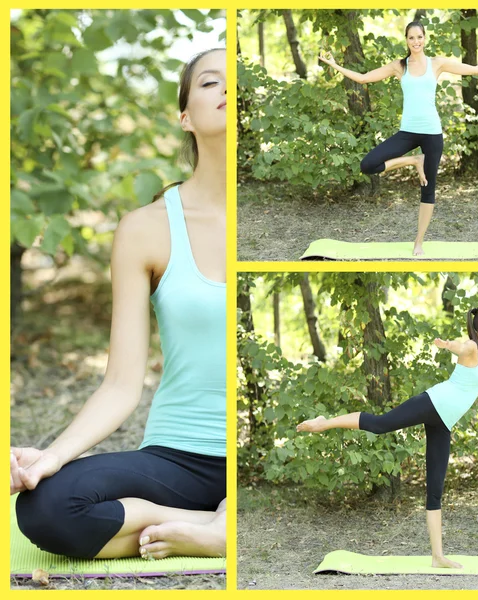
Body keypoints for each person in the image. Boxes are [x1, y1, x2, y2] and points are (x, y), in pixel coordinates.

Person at [10, 48, 227, 561]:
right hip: (182, 459)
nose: (228, 90)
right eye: (211, 82)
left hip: (267, 459)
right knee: (47, 507)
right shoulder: (146, 229)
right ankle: (208, 524)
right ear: (185, 117)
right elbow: (122, 383)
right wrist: (52, 457)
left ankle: (227, 527)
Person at [297, 304, 478, 569]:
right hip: (432, 403)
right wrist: (446, 345)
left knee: (435, 489)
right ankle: (325, 423)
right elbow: (460, 348)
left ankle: (438, 557)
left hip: (444, 422)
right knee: (380, 424)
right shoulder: (473, 347)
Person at [318, 21, 478, 256]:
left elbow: (474, 70)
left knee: (428, 189)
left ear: (425, 38)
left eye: (419, 37)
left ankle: (418, 242)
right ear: (406, 40)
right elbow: (363, 78)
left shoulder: (437, 64)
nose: (416, 42)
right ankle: (415, 160)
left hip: (432, 133)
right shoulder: (399, 66)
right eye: (411, 38)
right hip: (408, 132)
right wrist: (333, 64)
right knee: (368, 164)